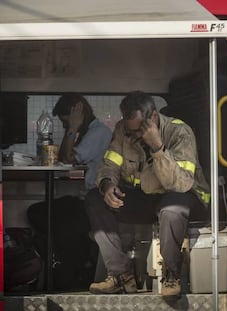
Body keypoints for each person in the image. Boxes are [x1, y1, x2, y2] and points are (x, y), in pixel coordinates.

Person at [86, 90, 210, 296]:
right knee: (94, 200)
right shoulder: (122, 130)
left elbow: (178, 184)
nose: (133, 135)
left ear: (153, 117)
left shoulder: (179, 132)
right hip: (147, 198)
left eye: (138, 129)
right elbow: (109, 164)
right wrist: (107, 185)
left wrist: (157, 147)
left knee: (171, 209)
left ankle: (171, 275)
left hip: (184, 196)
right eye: (129, 129)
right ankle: (120, 275)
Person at [27, 94, 113, 290]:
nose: (66, 127)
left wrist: (73, 128)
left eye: (67, 121)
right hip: (87, 198)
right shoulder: (90, 132)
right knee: (38, 213)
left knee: (57, 222)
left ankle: (70, 269)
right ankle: (65, 257)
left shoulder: (98, 132)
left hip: (96, 203)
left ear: (79, 113)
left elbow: (67, 158)